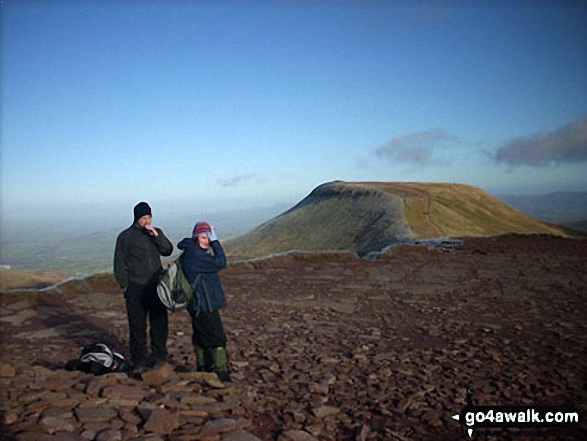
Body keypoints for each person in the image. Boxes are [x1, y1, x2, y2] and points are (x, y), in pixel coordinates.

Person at [114, 202, 173, 370]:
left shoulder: (155, 233)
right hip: (136, 287)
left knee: (160, 323)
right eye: (143, 218)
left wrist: (156, 235)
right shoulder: (125, 237)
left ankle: (159, 356)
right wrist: (125, 284)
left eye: (149, 217)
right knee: (137, 325)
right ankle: (139, 360)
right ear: (136, 218)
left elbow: (167, 250)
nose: (147, 221)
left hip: (157, 286)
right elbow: (119, 262)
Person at [177, 221, 231, 382]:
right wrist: (215, 242)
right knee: (217, 338)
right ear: (195, 238)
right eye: (203, 236)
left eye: (208, 236)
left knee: (201, 336)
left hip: (200, 304)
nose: (206, 239)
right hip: (203, 305)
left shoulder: (194, 252)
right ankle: (222, 374)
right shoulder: (195, 255)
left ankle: (204, 369)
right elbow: (221, 262)